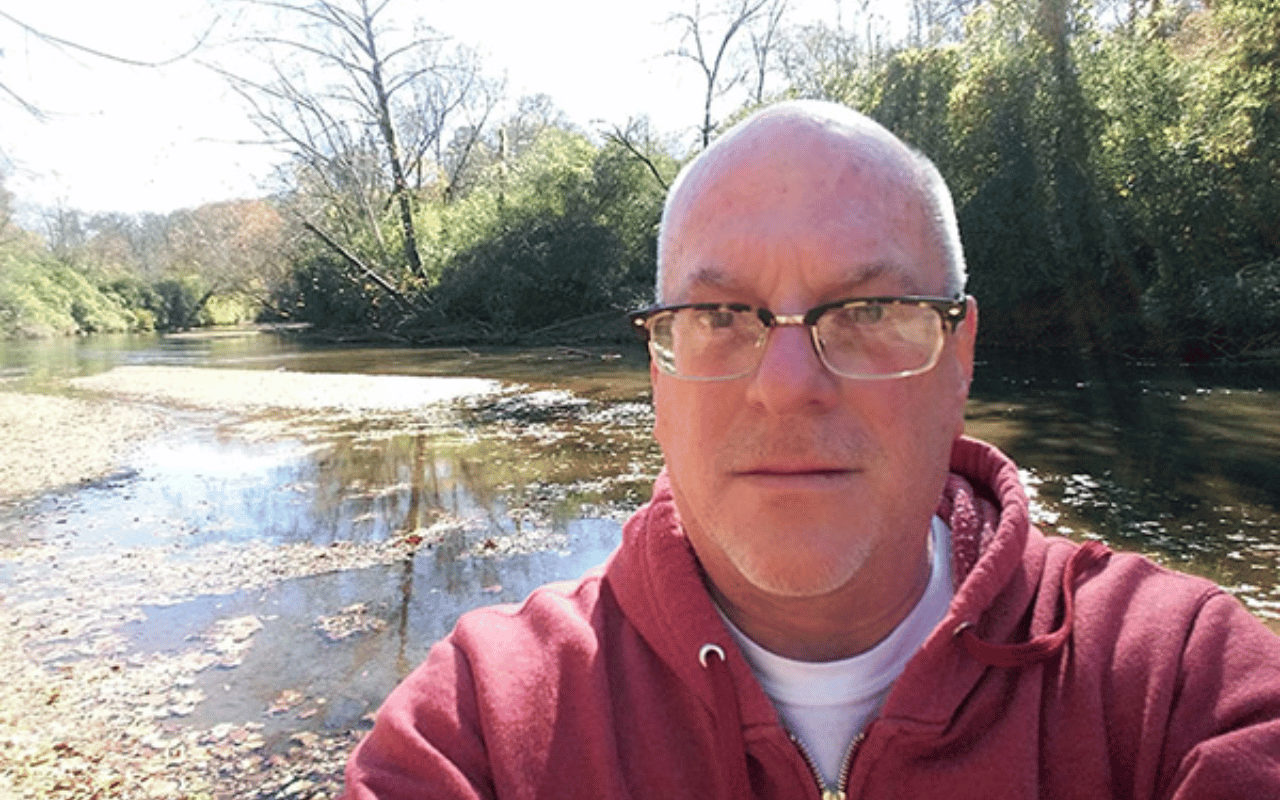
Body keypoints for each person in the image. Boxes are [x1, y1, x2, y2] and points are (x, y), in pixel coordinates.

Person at [342, 100, 1280, 799]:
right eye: (717, 314)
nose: (787, 383)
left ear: (961, 356)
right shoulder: (484, 727)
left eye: (870, 310)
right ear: (658, 375)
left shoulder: (1177, 685)